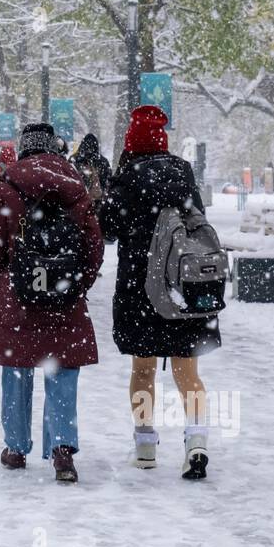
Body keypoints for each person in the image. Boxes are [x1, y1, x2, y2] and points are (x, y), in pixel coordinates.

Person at [0, 122, 104, 484]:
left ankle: (16, 447)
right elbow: (93, 245)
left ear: (23, 149)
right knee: (62, 369)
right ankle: (63, 449)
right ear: (54, 149)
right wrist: (78, 283)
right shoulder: (75, 186)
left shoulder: (6, 186)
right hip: (64, 294)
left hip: (17, 292)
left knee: (17, 366)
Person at [102, 105, 220, 479]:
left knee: (143, 368)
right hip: (182, 284)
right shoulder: (182, 171)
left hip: (141, 288)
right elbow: (197, 220)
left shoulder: (128, 176)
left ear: (131, 143)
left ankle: (145, 446)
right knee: (187, 370)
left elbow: (108, 229)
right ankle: (197, 442)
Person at [71, 133, 111, 228]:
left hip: (78, 202)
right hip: (97, 202)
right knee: (94, 228)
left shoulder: (74, 159)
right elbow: (108, 182)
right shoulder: (103, 161)